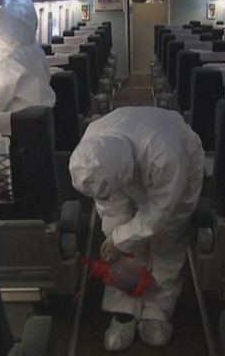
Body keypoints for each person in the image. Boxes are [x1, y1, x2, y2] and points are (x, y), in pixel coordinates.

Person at [69, 106, 204, 351]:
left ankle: (156, 312)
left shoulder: (165, 156)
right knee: (121, 242)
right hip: (122, 167)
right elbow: (108, 202)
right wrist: (116, 238)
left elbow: (160, 214)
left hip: (179, 163)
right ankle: (123, 313)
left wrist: (123, 238)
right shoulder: (93, 151)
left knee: (166, 240)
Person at [0, 0, 55, 113]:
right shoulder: (34, 49)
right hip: (40, 118)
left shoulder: (4, 61)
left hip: (15, 125)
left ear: (0, 26)